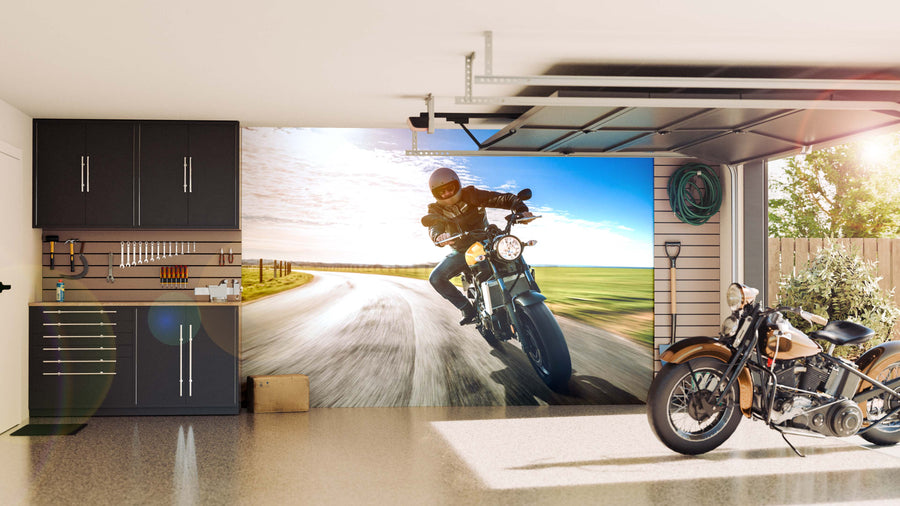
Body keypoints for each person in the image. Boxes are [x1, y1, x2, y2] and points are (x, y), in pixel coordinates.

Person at [425, 167, 531, 325]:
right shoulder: (435, 209)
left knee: (513, 253)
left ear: (457, 185)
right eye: (442, 192)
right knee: (436, 278)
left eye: (450, 188)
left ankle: (527, 292)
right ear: (436, 194)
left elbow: (501, 198)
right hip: (461, 251)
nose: (446, 194)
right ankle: (466, 308)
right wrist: (438, 236)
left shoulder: (471, 194)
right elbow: (433, 226)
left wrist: (521, 210)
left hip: (486, 242)